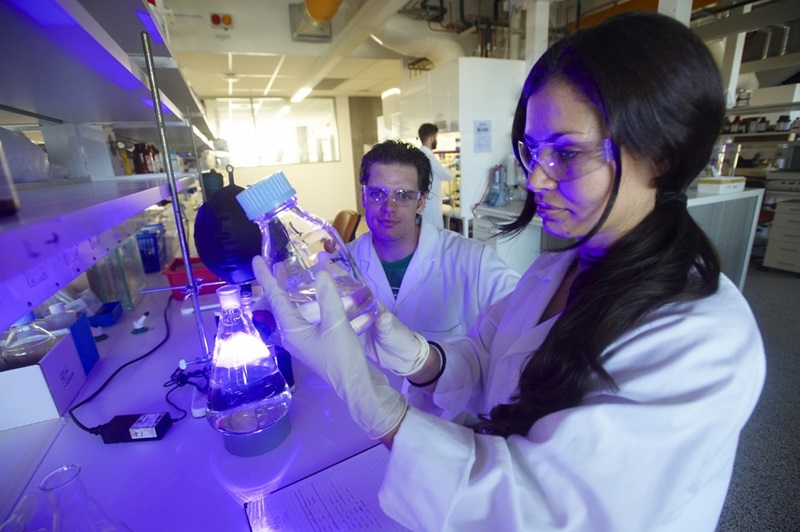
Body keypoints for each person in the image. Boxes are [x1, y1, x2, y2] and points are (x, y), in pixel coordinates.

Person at [253, 12, 765, 531]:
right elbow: (489, 356)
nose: (536, 179)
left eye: (566, 153)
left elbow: (537, 513)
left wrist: (376, 404)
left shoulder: (704, 338)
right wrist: (418, 357)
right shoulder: (554, 269)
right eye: (532, 150)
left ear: (660, 154)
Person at [348, 139, 520, 341]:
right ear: (363, 197)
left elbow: (530, 315)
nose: (389, 207)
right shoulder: (342, 265)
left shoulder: (473, 261)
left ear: (420, 202)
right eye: (377, 194)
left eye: (403, 195)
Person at [417, 123, 454, 228]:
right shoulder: (428, 157)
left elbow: (436, 170)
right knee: (434, 232)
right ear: (431, 138)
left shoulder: (420, 155)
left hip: (424, 203)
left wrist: (448, 165)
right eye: (436, 137)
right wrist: (454, 171)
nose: (436, 140)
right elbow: (447, 175)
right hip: (431, 204)